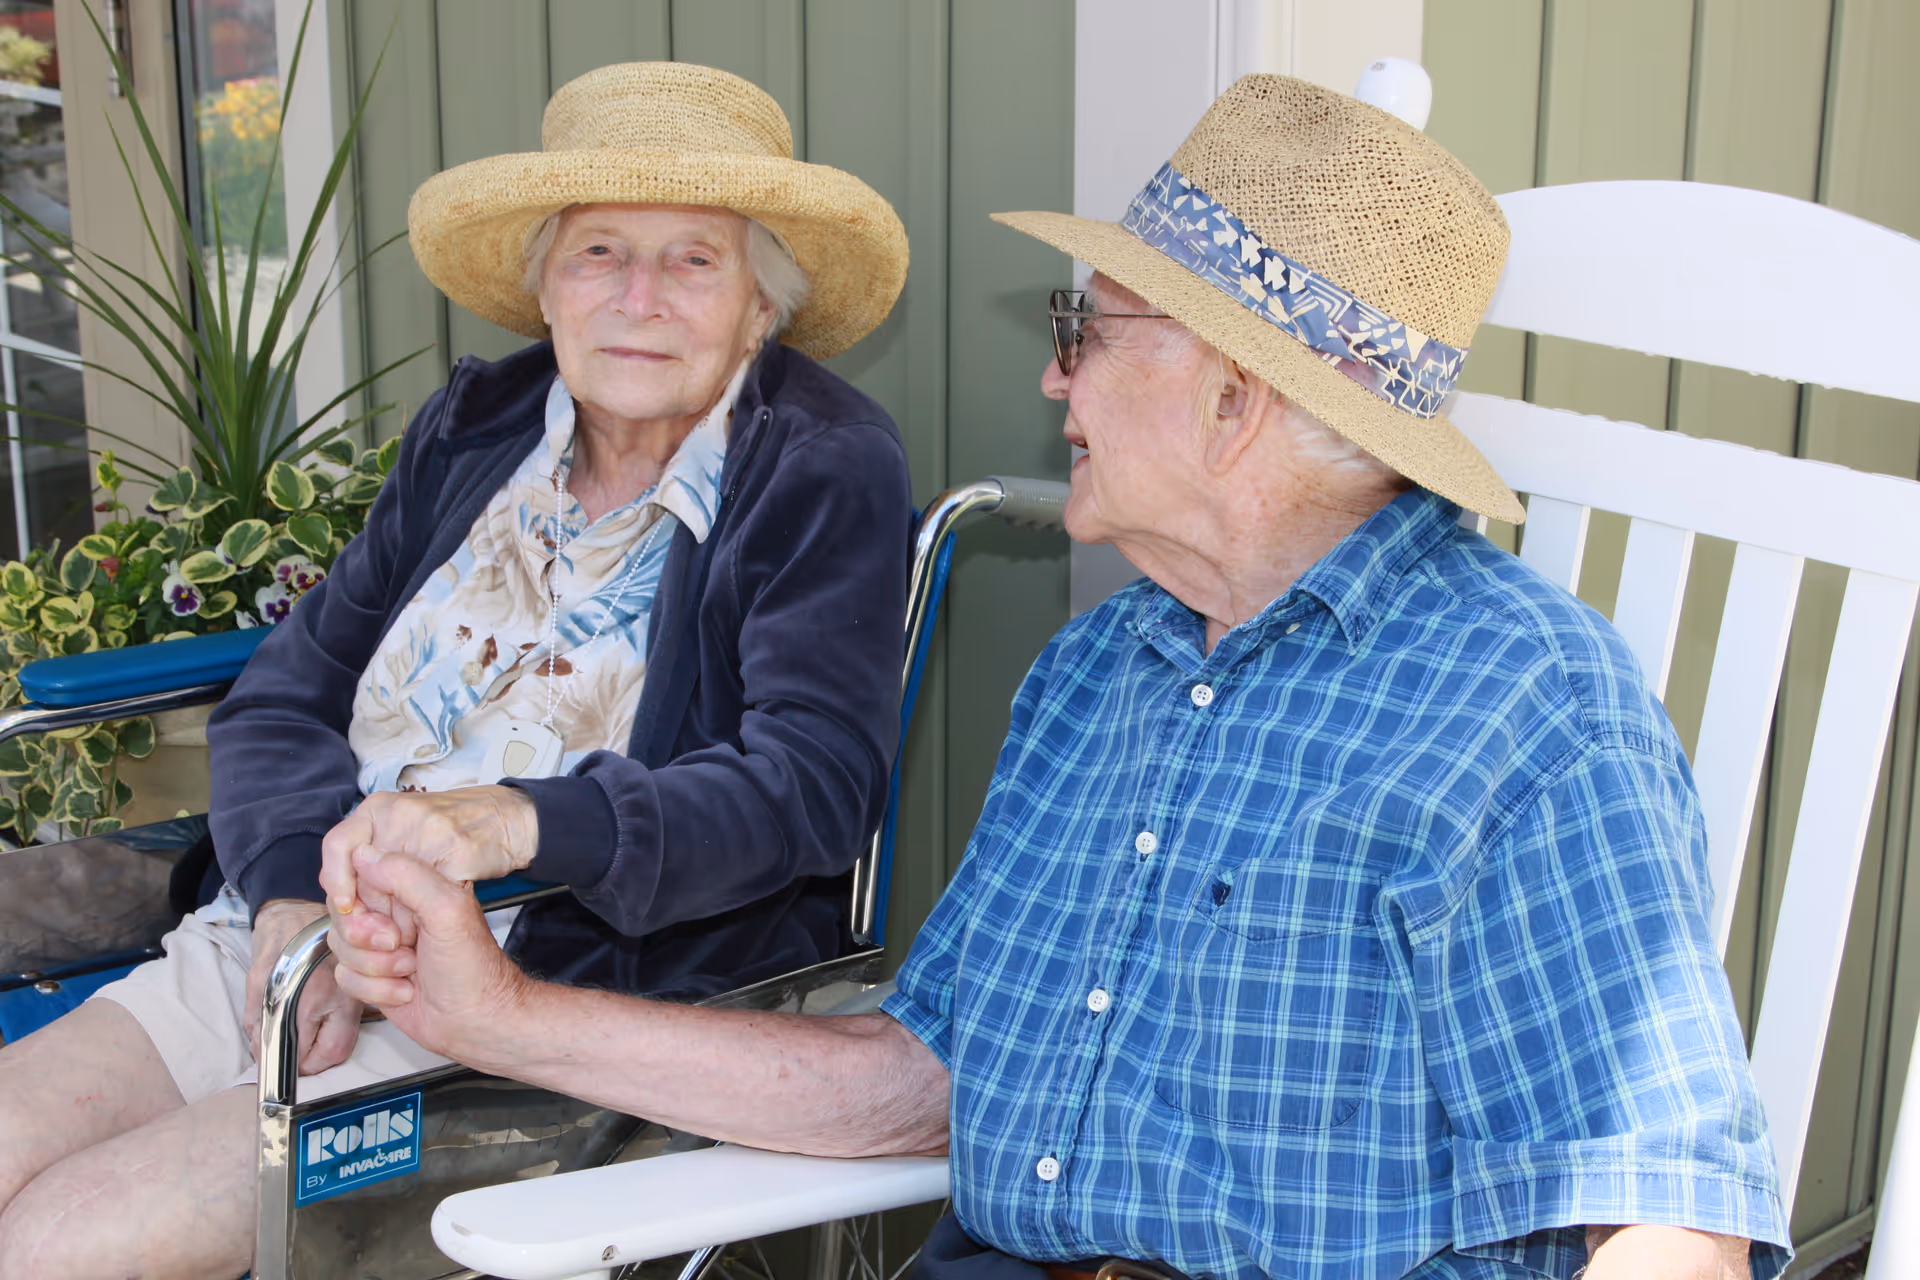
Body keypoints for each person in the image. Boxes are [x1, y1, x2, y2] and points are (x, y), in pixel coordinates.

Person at [326, 76, 1792, 1279]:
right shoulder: (1104, 666)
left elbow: (1667, 1223)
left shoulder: (1522, 707)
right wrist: (497, 1016)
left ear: (1237, 397)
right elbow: (928, 1083)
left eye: (1083, 331)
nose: (1053, 382)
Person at [0, 61, 913, 1279]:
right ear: (545, 283)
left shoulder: (820, 462)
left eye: (694, 257)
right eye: (598, 252)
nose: (640, 296)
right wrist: (285, 902)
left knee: (64, 1246)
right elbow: (287, 687)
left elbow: (812, 782)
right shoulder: (482, 424)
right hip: (284, 938)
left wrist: (520, 820)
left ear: (761, 303)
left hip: (519, 993)